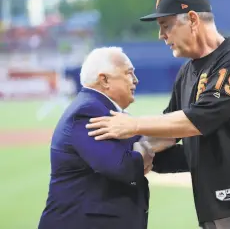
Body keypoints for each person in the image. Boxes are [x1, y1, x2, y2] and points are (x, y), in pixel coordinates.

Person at [86, 0, 230, 229]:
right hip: (215, 208)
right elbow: (170, 133)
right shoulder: (187, 73)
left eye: (166, 25)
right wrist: (129, 151)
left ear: (193, 19)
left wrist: (132, 125)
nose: (161, 35)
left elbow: (199, 119)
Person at [38, 47, 156, 229]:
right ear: (105, 80)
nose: (136, 80)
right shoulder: (88, 111)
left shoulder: (104, 110)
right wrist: (143, 152)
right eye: (129, 73)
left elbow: (151, 146)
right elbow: (123, 167)